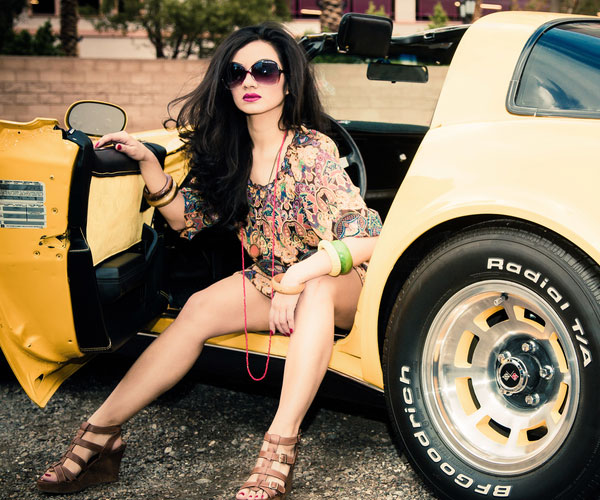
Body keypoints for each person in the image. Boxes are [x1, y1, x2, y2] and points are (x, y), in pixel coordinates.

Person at [36, 22, 382, 500]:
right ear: (225, 83)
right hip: (273, 280)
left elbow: (366, 239)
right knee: (197, 308)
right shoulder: (229, 152)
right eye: (237, 74)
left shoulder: (311, 150)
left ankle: (279, 447)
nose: (249, 83)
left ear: (287, 80)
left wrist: (299, 278)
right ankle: (101, 432)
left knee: (318, 291)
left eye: (264, 71)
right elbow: (186, 222)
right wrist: (148, 165)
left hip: (336, 279)